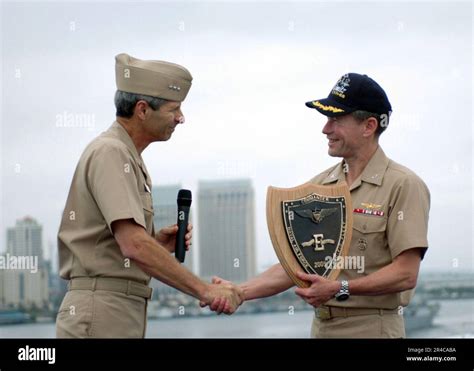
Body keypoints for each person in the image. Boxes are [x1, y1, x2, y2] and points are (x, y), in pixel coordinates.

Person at [211, 73, 430, 338]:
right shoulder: (320, 187)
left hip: (374, 328)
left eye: (336, 119)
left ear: (369, 126)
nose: (326, 129)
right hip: (322, 328)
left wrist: (340, 288)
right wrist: (239, 292)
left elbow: (405, 274)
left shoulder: (403, 185)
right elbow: (296, 264)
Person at [56, 53, 243, 338]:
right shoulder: (111, 152)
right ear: (142, 110)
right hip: (103, 312)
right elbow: (134, 245)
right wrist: (205, 290)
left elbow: (120, 246)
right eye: (174, 109)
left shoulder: (127, 156)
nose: (181, 118)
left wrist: (156, 243)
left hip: (116, 310)